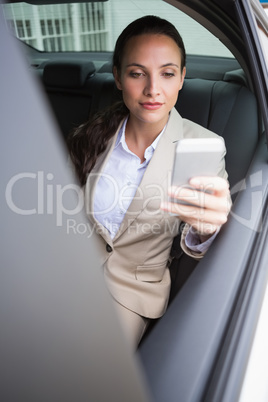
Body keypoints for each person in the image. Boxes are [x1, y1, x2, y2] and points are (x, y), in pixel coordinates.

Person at [68, 15, 231, 349]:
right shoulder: (94, 134)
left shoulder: (203, 147)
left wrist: (207, 228)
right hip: (67, 275)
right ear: (117, 77)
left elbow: (197, 238)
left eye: (167, 74)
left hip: (132, 295)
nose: (153, 89)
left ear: (182, 78)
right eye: (137, 73)